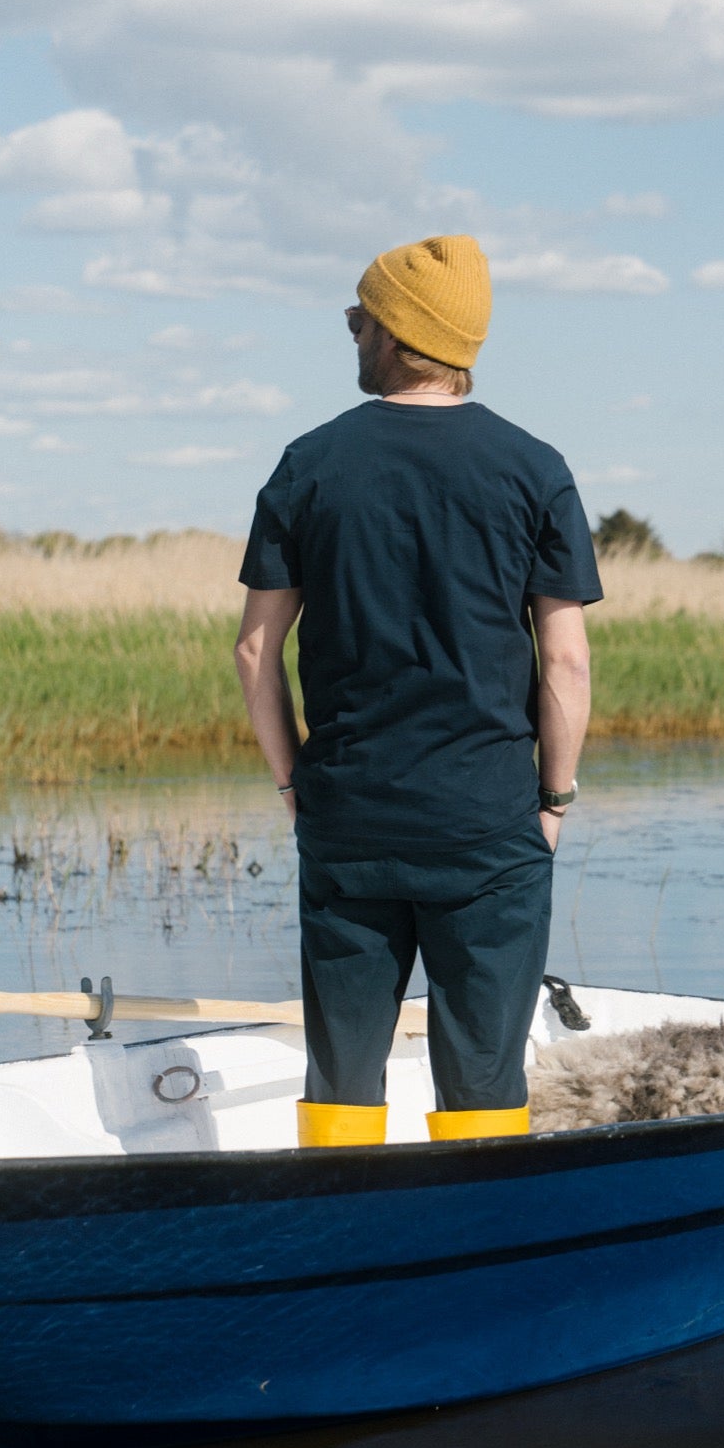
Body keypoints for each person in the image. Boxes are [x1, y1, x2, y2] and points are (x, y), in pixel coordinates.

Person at [234, 233, 602, 1147]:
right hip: (487, 824)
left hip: (348, 819)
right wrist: (551, 800)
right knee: (483, 1084)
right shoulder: (532, 468)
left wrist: (294, 787)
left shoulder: (308, 463)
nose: (351, 329)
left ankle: (338, 1237)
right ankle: (474, 1249)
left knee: (341, 1081)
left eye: (360, 316)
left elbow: (254, 652)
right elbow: (564, 663)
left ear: (399, 334)